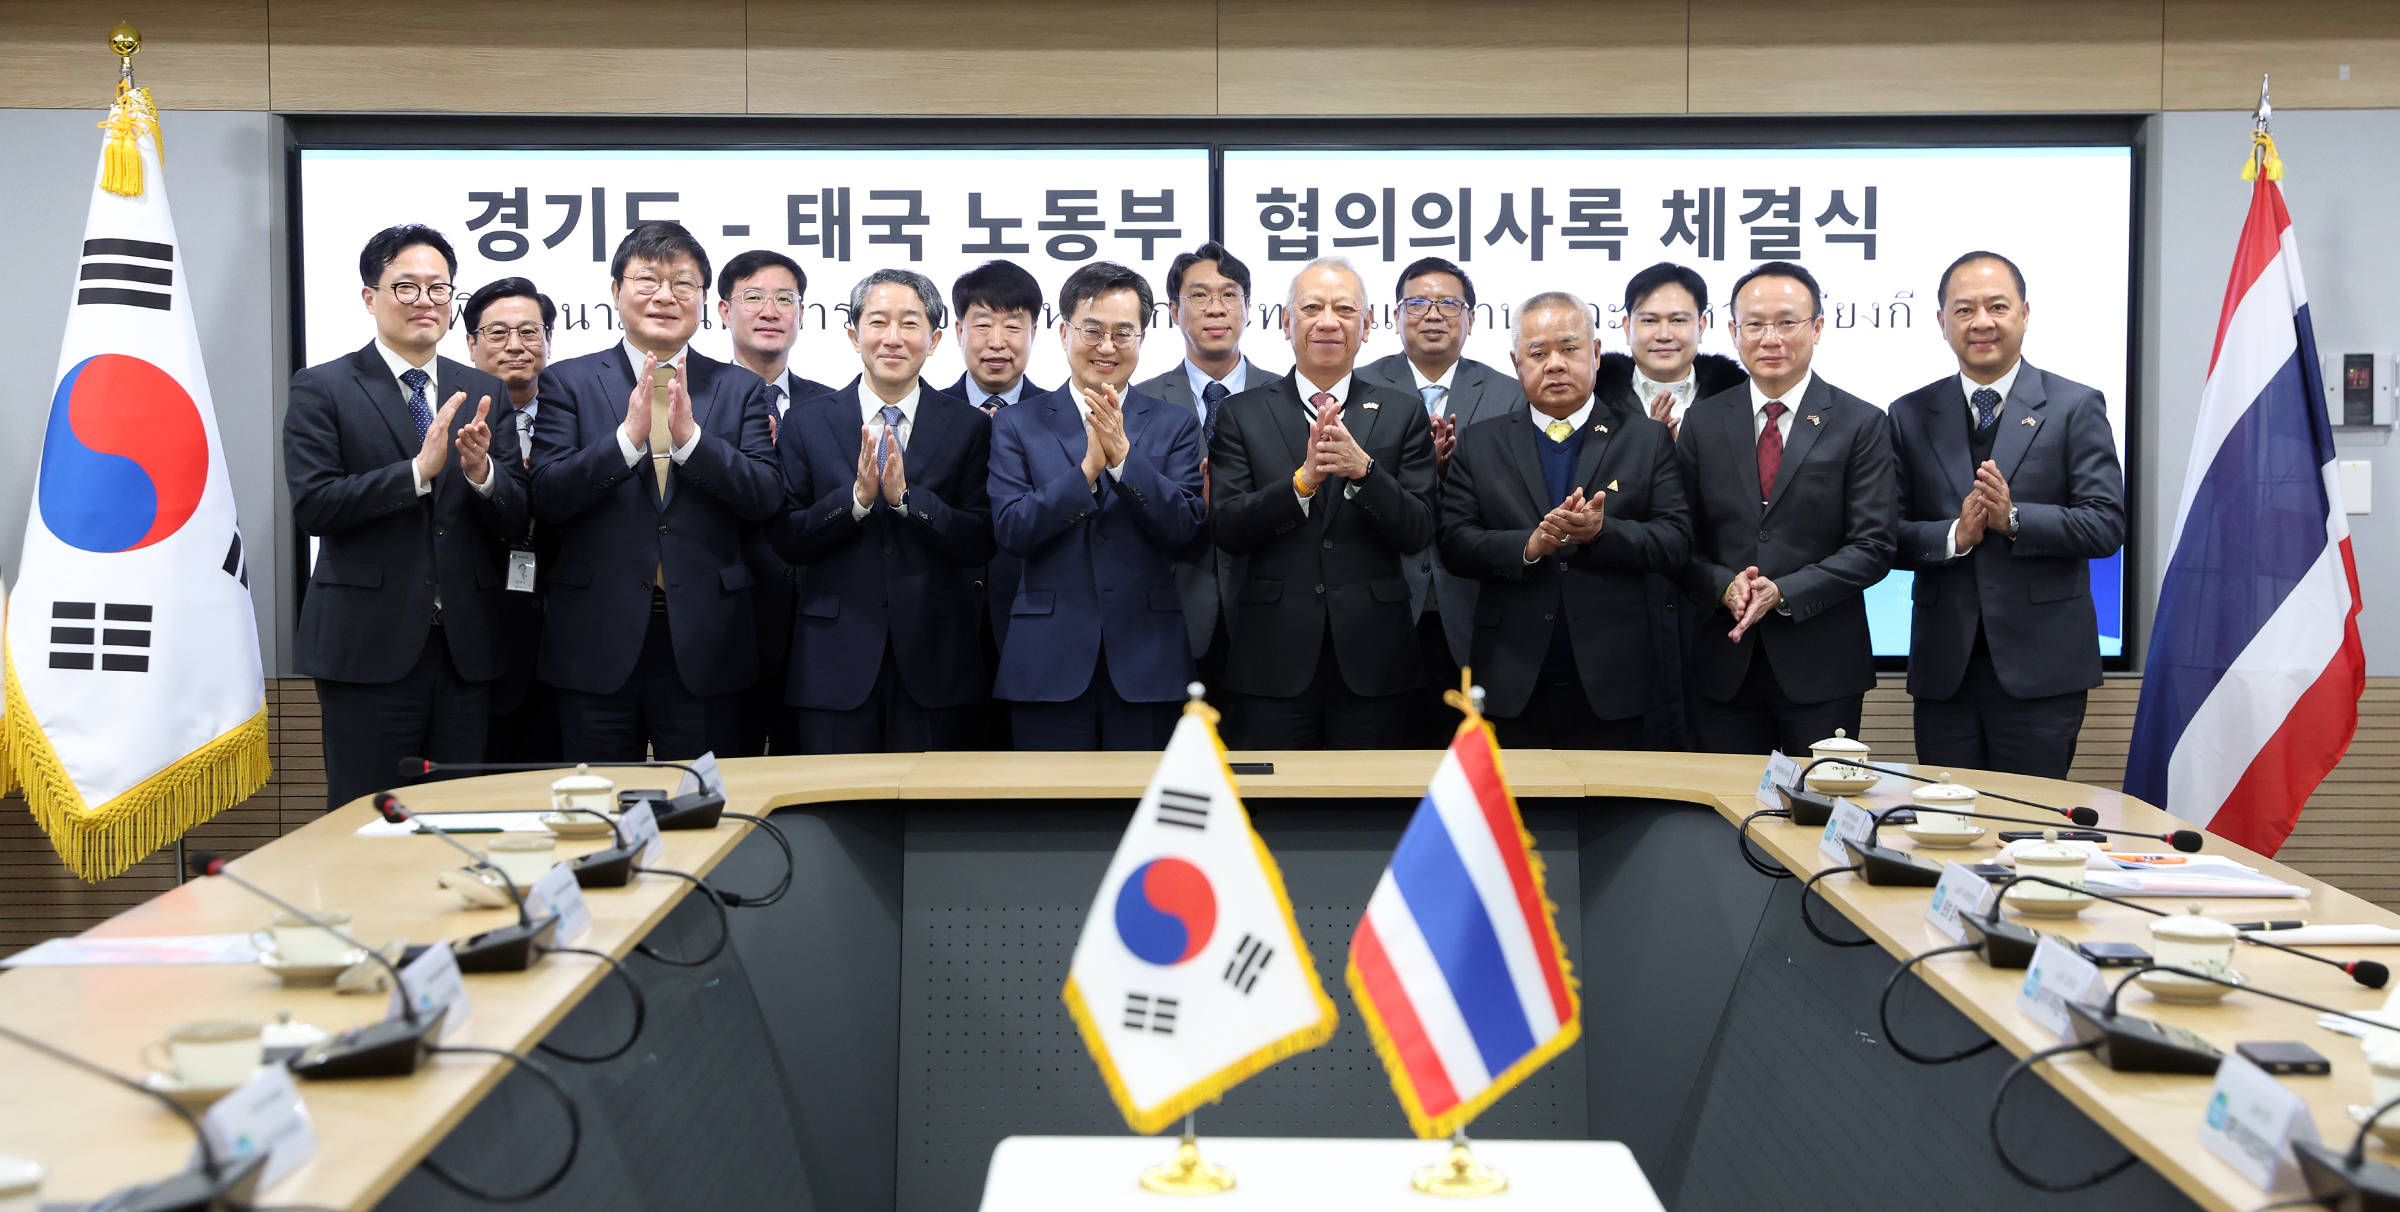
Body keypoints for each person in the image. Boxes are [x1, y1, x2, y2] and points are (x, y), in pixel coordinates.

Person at [286, 225, 525, 808]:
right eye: (407, 287)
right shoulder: (324, 386)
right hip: (367, 647)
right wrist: (416, 472)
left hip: (466, 648)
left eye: (439, 289)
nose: (426, 302)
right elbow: (314, 505)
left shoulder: (484, 387)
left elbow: (519, 514)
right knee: (366, 818)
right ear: (371, 297)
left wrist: (480, 476)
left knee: (460, 818)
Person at [528, 221, 782, 762]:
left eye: (682, 284)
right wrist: (624, 442)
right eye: (647, 280)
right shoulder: (568, 381)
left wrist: (692, 443)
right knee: (595, 811)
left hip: (706, 639)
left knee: (709, 810)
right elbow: (547, 496)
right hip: (595, 636)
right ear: (616, 292)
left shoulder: (739, 388)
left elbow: (765, 496)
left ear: (704, 301)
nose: (665, 296)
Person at [1891, 251, 2124, 778]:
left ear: (2024, 313)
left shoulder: (2074, 405)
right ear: (1941, 322)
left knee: (2027, 826)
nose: (1982, 322)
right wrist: (1955, 534)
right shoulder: (1908, 414)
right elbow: (1886, 535)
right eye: (1965, 309)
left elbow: (2106, 523)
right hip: (1945, 671)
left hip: (2042, 669)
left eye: (1997, 306)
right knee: (1946, 820)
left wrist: (2014, 519)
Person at [1438, 292, 1689, 750]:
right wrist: (1528, 547)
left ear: (1595, 354)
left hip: (1615, 679)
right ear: (1517, 363)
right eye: (1538, 353)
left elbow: (1675, 542)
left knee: (1615, 818)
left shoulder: (1645, 440)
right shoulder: (1481, 443)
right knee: (1515, 820)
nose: (1554, 364)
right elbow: (1454, 542)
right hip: (1508, 680)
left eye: (1569, 349)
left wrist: (1601, 533)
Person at [1209, 256, 1437, 749]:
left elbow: (1419, 528)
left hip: (1376, 657)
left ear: (1368, 325)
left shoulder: (1402, 411)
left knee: (1372, 813)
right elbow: (1227, 526)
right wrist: (1303, 483)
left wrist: (1365, 471)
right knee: (1271, 811)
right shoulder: (1241, 412)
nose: (1328, 321)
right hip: (1273, 656)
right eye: (1312, 307)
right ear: (1286, 323)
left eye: (1345, 309)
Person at [1676, 261, 1896, 758]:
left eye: (1787, 322)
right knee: (1720, 818)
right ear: (1733, 332)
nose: (1770, 338)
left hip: (1822, 666)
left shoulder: (1861, 423)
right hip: (1721, 662)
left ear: (1818, 327)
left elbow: (1874, 545)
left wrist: (1786, 592)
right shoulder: (1704, 421)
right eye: (1754, 324)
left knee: (1816, 818)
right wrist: (1722, 585)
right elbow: (1678, 538)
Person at [770, 269, 996, 753]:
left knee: (933, 816)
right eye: (878, 322)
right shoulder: (807, 422)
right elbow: (786, 537)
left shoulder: (968, 427)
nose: (893, 338)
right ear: (853, 335)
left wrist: (907, 503)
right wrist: (855, 502)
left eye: (910, 324)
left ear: (934, 340)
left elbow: (981, 539)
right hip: (832, 660)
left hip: (937, 660)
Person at [987, 262, 1207, 750]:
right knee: (1051, 819)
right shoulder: (1017, 424)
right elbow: (1011, 530)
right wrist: (1085, 472)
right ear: (1064, 332)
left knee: (1145, 817)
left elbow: (1186, 528)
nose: (1107, 347)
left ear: (1142, 339)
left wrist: (1126, 461)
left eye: (1123, 333)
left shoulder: (1175, 424)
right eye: (1092, 330)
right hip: (1047, 661)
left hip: (1149, 661)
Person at [1356, 256, 1525, 744]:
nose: (1433, 314)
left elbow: (1515, 493)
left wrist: (1450, 472)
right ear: (1395, 316)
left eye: (1449, 303)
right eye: (1418, 303)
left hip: (1471, 599)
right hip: (1381, 595)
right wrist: (1416, 468)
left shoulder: (1508, 394)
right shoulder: (1361, 387)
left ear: (1472, 317)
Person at [1597, 262, 1749, 751]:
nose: (1664, 334)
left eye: (1679, 320)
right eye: (1649, 319)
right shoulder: (1588, 400)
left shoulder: (1740, 400)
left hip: (1713, 598)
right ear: (1625, 326)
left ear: (1703, 325)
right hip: (1619, 602)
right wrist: (1646, 453)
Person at [1136, 243, 1273, 700]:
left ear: (1249, 308)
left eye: (1229, 294)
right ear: (1173, 310)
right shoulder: (1140, 403)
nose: (1216, 308)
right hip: (1168, 615)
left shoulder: (1287, 396)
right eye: (1199, 296)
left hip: (1269, 610)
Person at [716, 249, 833, 757]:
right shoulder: (692, 406)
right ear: (723, 311)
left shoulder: (833, 405)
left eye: (785, 299)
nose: (770, 311)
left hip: (817, 626)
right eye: (754, 298)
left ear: (802, 314)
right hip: (727, 623)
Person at [941, 260, 1053, 748]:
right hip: (942, 624)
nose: (997, 341)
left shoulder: (1063, 417)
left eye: (1013, 326)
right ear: (959, 329)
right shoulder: (924, 415)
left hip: (1034, 623)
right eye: (982, 325)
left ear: (1036, 331)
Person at [460, 276, 560, 765]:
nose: (515, 347)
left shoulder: (587, 411)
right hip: (479, 630)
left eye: (530, 332)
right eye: (497, 334)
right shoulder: (444, 417)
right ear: (471, 344)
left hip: (572, 628)